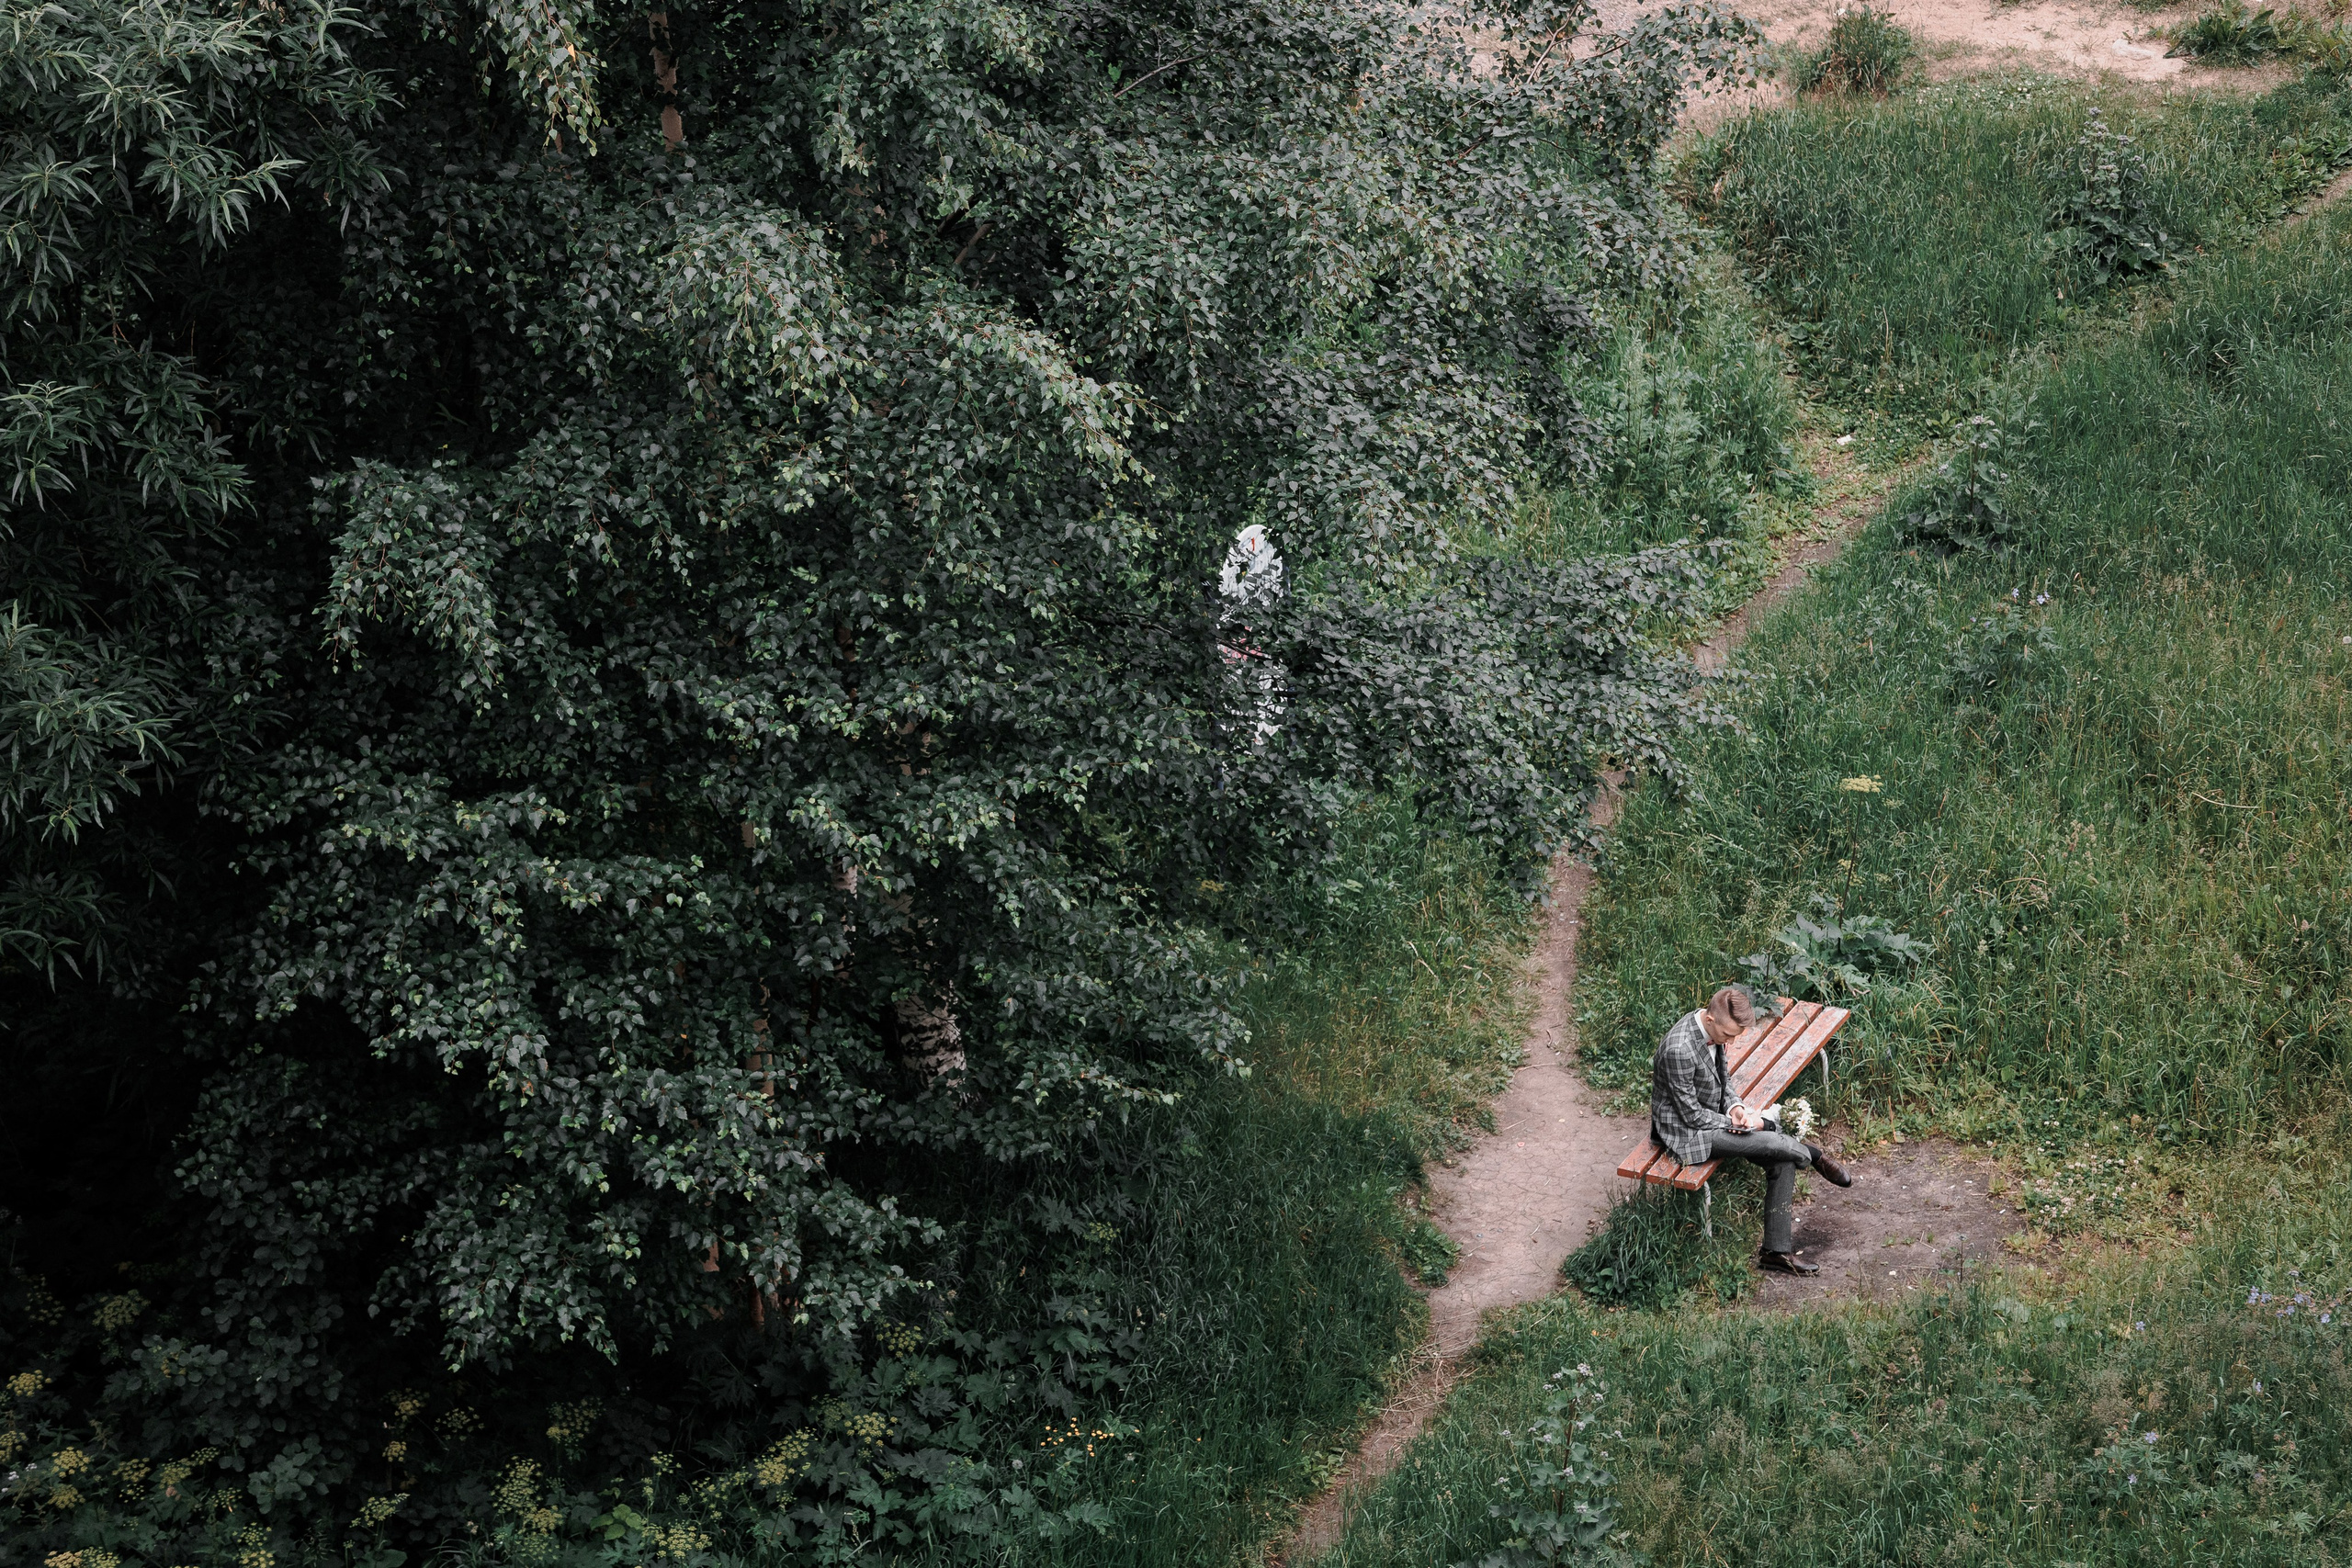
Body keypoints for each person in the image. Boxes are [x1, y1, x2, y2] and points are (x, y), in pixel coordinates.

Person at [1650, 986, 1853, 1276]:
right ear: (1710, 1020)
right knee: (1773, 1144)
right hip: (1686, 1133)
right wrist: (1733, 1123)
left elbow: (1724, 1078)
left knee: (1781, 1157)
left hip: (1713, 1116)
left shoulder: (1713, 1030)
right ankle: (1812, 1154)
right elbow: (1691, 1116)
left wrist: (1735, 1108)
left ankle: (1775, 1252)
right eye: (1728, 1036)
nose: (1730, 1041)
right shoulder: (1678, 1050)